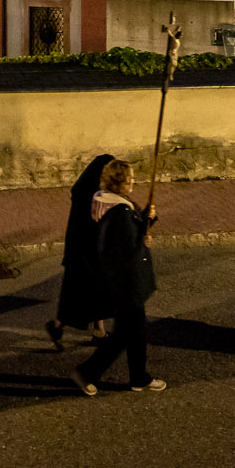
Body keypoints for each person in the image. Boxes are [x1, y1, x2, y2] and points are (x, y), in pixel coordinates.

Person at [71, 159, 165, 395]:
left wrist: (146, 219)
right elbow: (124, 249)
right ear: (118, 182)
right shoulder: (120, 213)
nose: (133, 182)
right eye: (129, 179)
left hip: (118, 282)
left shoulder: (105, 202)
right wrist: (142, 240)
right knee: (126, 333)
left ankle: (138, 376)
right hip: (126, 282)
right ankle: (87, 372)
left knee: (137, 329)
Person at [45, 154, 115, 349]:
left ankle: (97, 330)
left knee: (87, 291)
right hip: (85, 253)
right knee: (83, 292)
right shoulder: (92, 196)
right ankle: (60, 325)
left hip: (82, 251)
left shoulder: (86, 191)